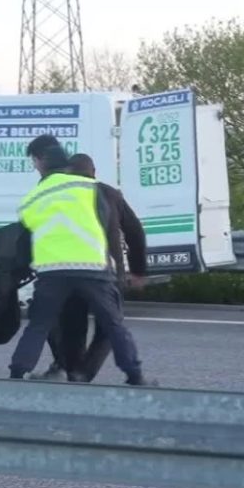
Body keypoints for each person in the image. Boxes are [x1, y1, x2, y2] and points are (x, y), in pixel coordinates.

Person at [8, 134, 155, 386]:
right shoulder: (93, 189)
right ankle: (133, 375)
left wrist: (17, 271)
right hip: (94, 267)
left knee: (42, 324)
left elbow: (27, 235)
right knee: (113, 325)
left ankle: (19, 373)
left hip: (52, 271)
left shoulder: (34, 196)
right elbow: (109, 222)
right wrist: (135, 268)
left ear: (40, 163)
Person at [38, 152, 148, 382]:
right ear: (94, 173)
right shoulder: (109, 194)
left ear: (67, 174)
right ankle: (84, 372)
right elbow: (135, 231)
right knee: (109, 326)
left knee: (72, 325)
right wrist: (137, 270)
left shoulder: (60, 195)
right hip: (105, 272)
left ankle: (74, 372)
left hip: (66, 271)